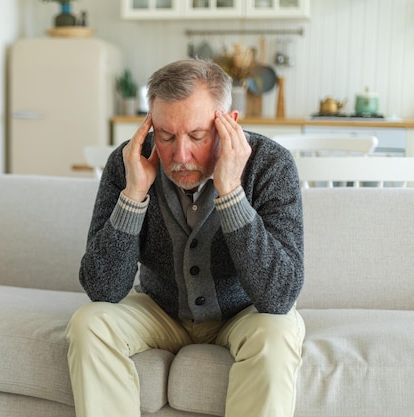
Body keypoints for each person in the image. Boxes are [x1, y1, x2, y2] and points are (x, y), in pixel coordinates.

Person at [66, 58, 305, 417]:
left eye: (197, 136)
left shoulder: (271, 164)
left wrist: (231, 193)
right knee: (88, 323)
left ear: (228, 124)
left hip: (245, 313)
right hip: (160, 309)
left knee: (277, 335)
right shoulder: (129, 162)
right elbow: (103, 289)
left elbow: (280, 295)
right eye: (165, 136)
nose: (180, 155)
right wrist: (133, 195)